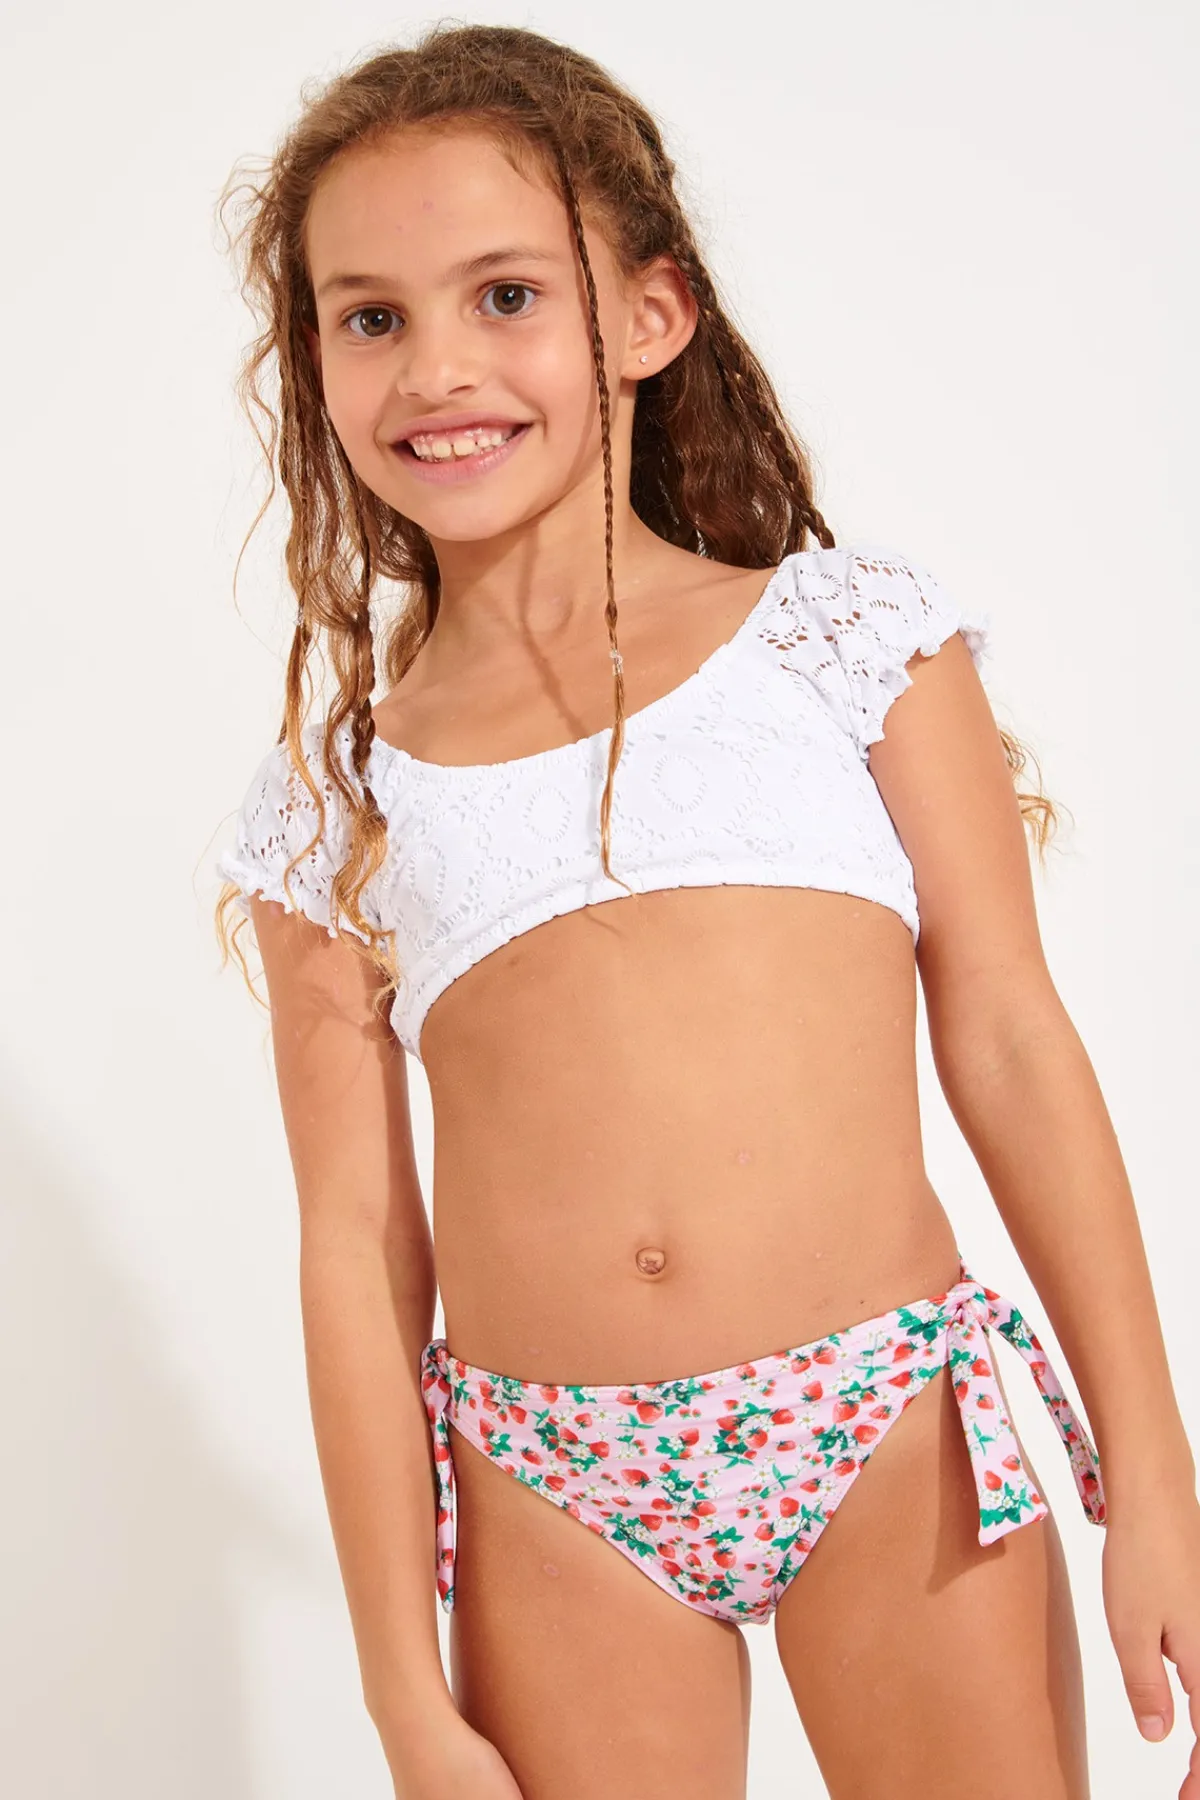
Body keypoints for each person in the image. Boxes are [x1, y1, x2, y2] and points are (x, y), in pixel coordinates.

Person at [213, 22, 1199, 1799]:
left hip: (883, 1424)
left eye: (507, 295)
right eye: (369, 318)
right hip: (551, 1486)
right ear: (316, 360)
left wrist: (1159, 1487)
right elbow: (356, 1250)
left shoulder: (845, 646)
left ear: (652, 317)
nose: (438, 367)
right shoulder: (336, 802)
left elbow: (1009, 1038)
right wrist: (401, 1696)